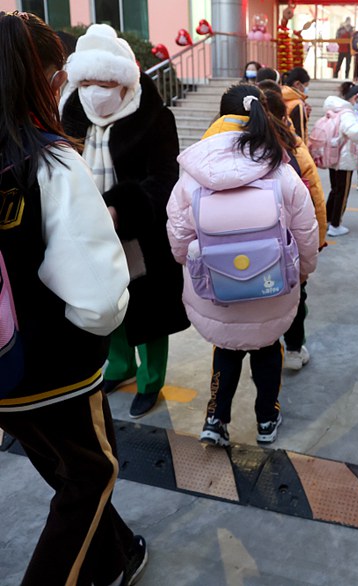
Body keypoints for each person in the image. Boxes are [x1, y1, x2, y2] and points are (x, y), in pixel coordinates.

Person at [0, 11, 147, 585]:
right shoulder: (51, 160)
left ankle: (116, 555)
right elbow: (96, 297)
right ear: (38, 76)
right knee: (91, 475)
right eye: (61, 76)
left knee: (62, 469)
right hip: (50, 366)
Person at [166, 84, 319, 446]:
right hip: (273, 287)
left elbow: (178, 235)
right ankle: (267, 419)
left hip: (216, 289)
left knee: (227, 349)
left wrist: (190, 267)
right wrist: (303, 269)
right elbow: (306, 230)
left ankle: (216, 419)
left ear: (220, 117)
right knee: (267, 349)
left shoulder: (193, 173)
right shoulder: (279, 170)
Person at [61, 23, 189, 419]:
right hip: (89, 233)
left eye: (104, 83)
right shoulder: (71, 117)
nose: (94, 93)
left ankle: (151, 381)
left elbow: (165, 179)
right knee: (106, 304)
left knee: (150, 313)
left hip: (142, 236)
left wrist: (121, 209)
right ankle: (119, 367)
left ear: (123, 82)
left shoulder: (154, 118)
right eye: (86, 84)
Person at [260, 86, 328, 372]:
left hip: (252, 247)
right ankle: (294, 348)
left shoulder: (235, 146)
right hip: (289, 246)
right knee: (296, 296)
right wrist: (318, 240)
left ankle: (266, 345)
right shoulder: (293, 147)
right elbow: (313, 199)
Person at [321, 82, 358, 236]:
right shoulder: (347, 113)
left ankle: (327, 219)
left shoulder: (335, 109)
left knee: (335, 190)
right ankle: (335, 225)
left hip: (334, 155)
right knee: (342, 192)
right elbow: (355, 133)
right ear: (355, 98)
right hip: (344, 158)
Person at [281, 66, 312, 141]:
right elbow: (300, 133)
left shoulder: (280, 96)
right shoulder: (297, 104)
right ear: (297, 84)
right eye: (305, 85)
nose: (306, 89)